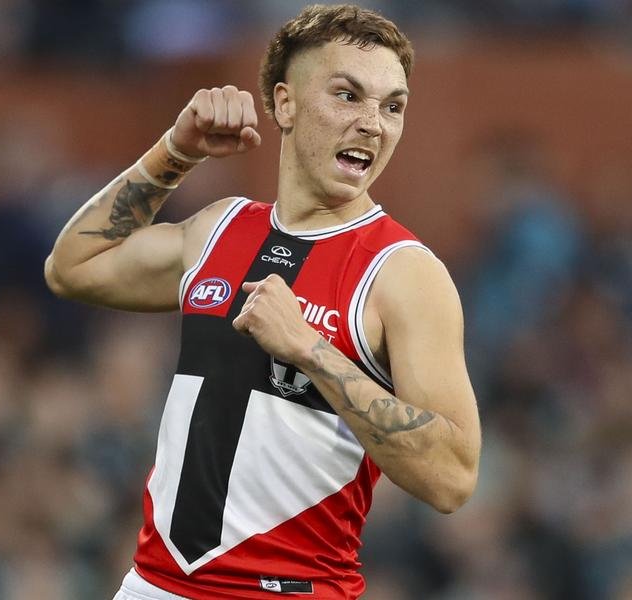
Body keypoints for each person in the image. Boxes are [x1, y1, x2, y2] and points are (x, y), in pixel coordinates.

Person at [45, 4, 481, 599]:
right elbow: (72, 268)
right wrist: (177, 149)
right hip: (153, 585)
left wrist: (311, 350)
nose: (373, 124)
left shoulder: (404, 273)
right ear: (285, 104)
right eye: (348, 96)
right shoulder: (220, 228)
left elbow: (454, 477)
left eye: (392, 105)